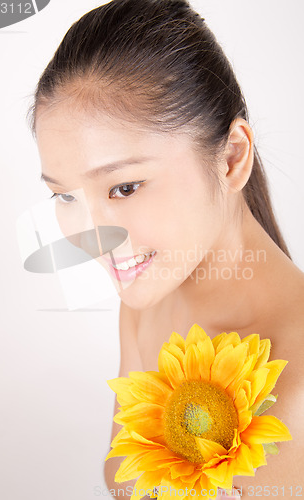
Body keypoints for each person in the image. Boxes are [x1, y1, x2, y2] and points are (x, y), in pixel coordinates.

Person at [28, 0, 304, 497]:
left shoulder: (299, 388)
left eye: (125, 188)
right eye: (65, 196)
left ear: (232, 157)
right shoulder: (144, 305)